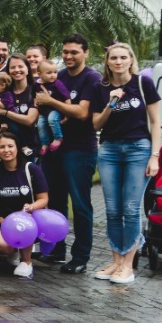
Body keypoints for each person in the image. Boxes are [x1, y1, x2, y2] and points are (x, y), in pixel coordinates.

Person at [88, 42, 161, 285]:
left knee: (131, 209)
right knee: (112, 209)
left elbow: (156, 121)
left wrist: (155, 156)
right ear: (107, 62)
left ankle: (128, 265)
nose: (118, 62)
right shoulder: (101, 88)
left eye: (123, 57)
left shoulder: (143, 83)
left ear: (131, 60)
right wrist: (111, 103)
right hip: (109, 150)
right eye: (114, 58)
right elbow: (96, 124)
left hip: (138, 149)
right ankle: (116, 261)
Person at [37, 34, 101, 272]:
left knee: (81, 204)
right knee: (55, 201)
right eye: (65, 52)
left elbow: (82, 113)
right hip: (55, 149)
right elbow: (42, 102)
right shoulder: (59, 75)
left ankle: (80, 257)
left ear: (86, 53)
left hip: (80, 150)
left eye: (74, 52)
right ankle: (56, 249)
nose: (68, 56)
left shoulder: (92, 79)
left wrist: (50, 103)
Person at [0, 132, 48, 278]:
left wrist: (31, 207)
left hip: (28, 218)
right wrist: (3, 222)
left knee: (24, 221)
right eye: (2, 147)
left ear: (17, 148)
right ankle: (14, 251)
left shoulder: (31, 169)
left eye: (10, 146)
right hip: (3, 220)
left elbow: (43, 199)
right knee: (2, 245)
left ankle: (27, 262)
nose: (6, 150)